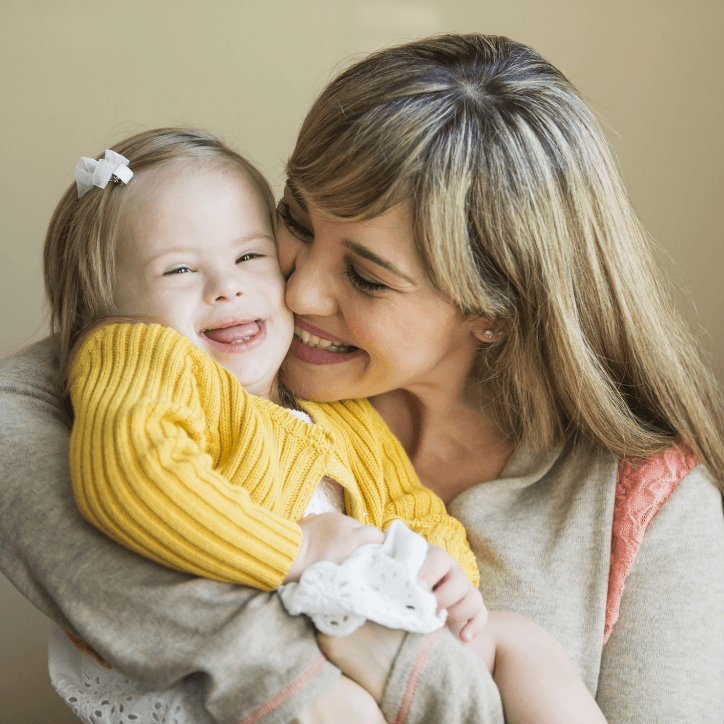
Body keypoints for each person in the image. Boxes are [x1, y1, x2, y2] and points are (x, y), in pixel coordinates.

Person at [0, 31, 722, 724]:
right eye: (297, 223)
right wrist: (282, 675)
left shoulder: (655, 512)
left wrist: (406, 655)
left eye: (367, 277)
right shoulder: (229, 349)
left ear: (493, 311)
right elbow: (31, 431)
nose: (300, 290)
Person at [52, 127, 607, 724]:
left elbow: (406, 502)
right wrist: (299, 547)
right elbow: (135, 478)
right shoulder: (146, 361)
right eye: (179, 270)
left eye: (249, 256)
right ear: (109, 307)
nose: (227, 287)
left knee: (520, 641)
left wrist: (443, 569)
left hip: (348, 619)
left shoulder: (334, 408)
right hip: (226, 653)